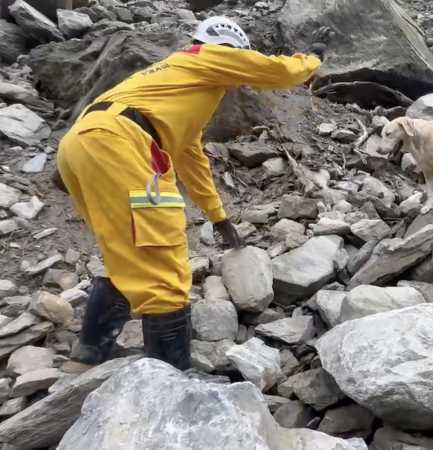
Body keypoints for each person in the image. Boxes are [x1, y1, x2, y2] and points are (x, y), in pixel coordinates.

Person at [56, 16, 329, 374]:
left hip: (81, 144)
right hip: (123, 143)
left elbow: (190, 158)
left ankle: (86, 359)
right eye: (239, 63)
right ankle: (170, 384)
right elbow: (277, 71)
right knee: (165, 265)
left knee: (127, 255)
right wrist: (311, 60)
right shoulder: (206, 55)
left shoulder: (176, 87)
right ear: (230, 52)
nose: (239, 82)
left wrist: (218, 216)